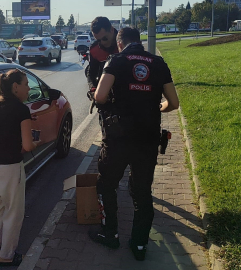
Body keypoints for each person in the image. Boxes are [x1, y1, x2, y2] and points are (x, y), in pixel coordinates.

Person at [88, 27, 179, 261]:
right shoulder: (158, 63)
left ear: (120, 43)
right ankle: (139, 245)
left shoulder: (116, 60)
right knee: (142, 192)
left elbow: (99, 96)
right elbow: (173, 103)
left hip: (118, 138)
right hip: (147, 138)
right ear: (139, 42)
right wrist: (156, 108)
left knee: (107, 185)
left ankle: (111, 234)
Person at [0, 69, 40, 267]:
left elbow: (0, 130)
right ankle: (6, 256)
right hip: (9, 167)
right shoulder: (21, 110)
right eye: (25, 84)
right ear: (15, 87)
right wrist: (36, 141)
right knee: (13, 213)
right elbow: (27, 146)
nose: (28, 88)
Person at [86, 17, 119, 93]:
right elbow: (91, 72)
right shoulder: (94, 49)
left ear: (111, 30)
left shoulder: (125, 43)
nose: (102, 43)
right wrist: (93, 88)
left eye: (105, 38)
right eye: (98, 40)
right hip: (105, 94)